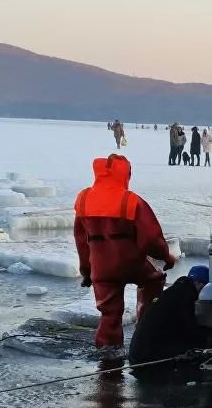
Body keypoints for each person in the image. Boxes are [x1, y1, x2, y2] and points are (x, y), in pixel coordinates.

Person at [73, 154, 176, 365]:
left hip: (101, 267)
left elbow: (81, 240)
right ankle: (145, 332)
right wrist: (166, 256)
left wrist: (86, 271)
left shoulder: (83, 199)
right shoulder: (131, 200)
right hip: (131, 262)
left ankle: (109, 350)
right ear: (125, 174)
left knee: (109, 311)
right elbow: (151, 238)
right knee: (153, 280)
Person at [128, 265, 208, 374]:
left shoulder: (173, 292)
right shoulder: (185, 297)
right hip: (147, 361)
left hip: (135, 356)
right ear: (199, 283)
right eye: (205, 287)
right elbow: (190, 331)